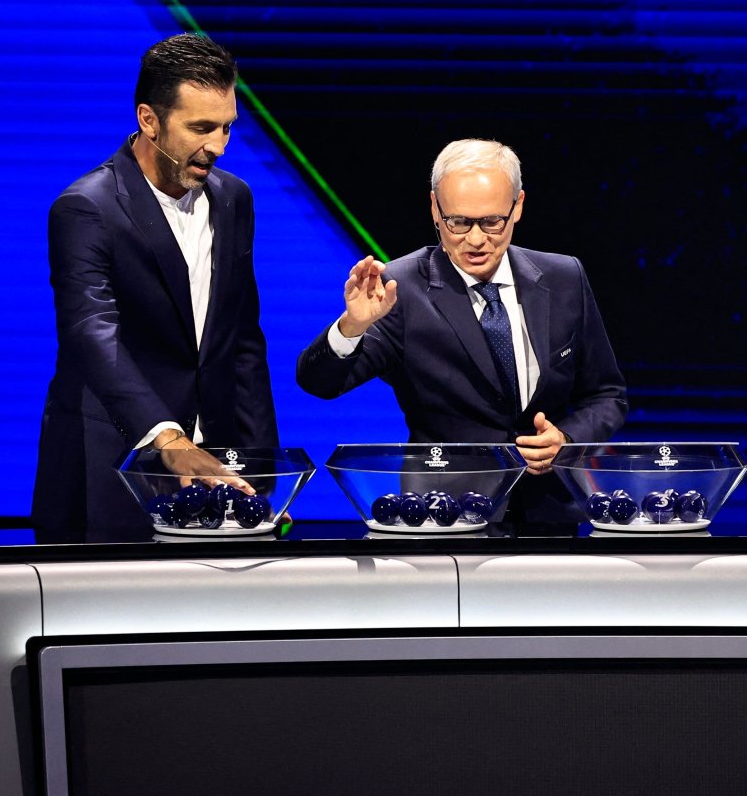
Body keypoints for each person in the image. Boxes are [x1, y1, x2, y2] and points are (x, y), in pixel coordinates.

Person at [297, 138, 627, 529]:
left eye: (491, 222)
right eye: (458, 222)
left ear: (517, 206)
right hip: (443, 516)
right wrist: (353, 325)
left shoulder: (564, 277)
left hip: (550, 514)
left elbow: (607, 396)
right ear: (435, 208)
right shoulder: (401, 288)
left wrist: (566, 438)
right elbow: (319, 383)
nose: (475, 239)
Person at [33, 33, 277, 542]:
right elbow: (91, 332)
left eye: (228, 127)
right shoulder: (87, 207)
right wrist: (168, 437)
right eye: (201, 128)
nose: (218, 146)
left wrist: (261, 469)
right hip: (111, 464)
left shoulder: (235, 199)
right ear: (149, 120)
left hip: (216, 470)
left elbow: (242, 340)